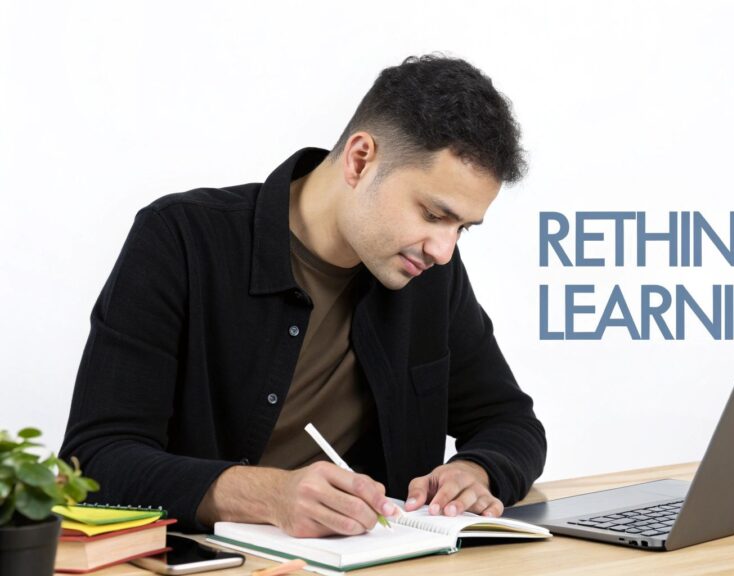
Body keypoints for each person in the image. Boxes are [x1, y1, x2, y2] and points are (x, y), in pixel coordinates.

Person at [60, 54, 546, 536]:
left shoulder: (429, 272)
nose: (444, 249)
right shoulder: (181, 239)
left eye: (463, 228)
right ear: (360, 160)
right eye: (433, 215)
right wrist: (270, 495)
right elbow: (97, 461)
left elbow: (509, 422)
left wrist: (476, 471)